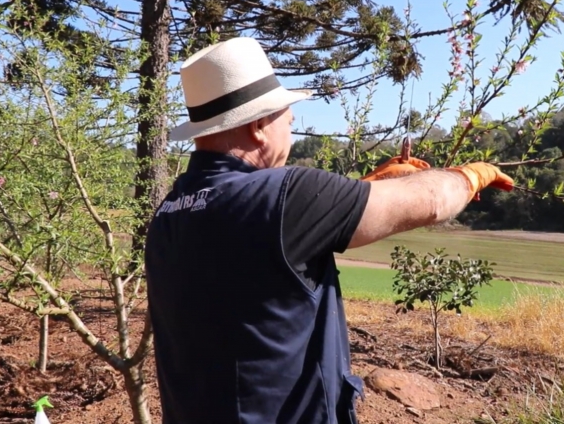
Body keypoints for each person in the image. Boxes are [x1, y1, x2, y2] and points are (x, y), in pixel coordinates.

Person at [144, 36, 515, 424]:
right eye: (288, 120)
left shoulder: (169, 213)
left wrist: (365, 188)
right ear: (257, 126)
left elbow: (267, 250)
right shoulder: (286, 198)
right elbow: (434, 200)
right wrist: (470, 175)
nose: (291, 130)